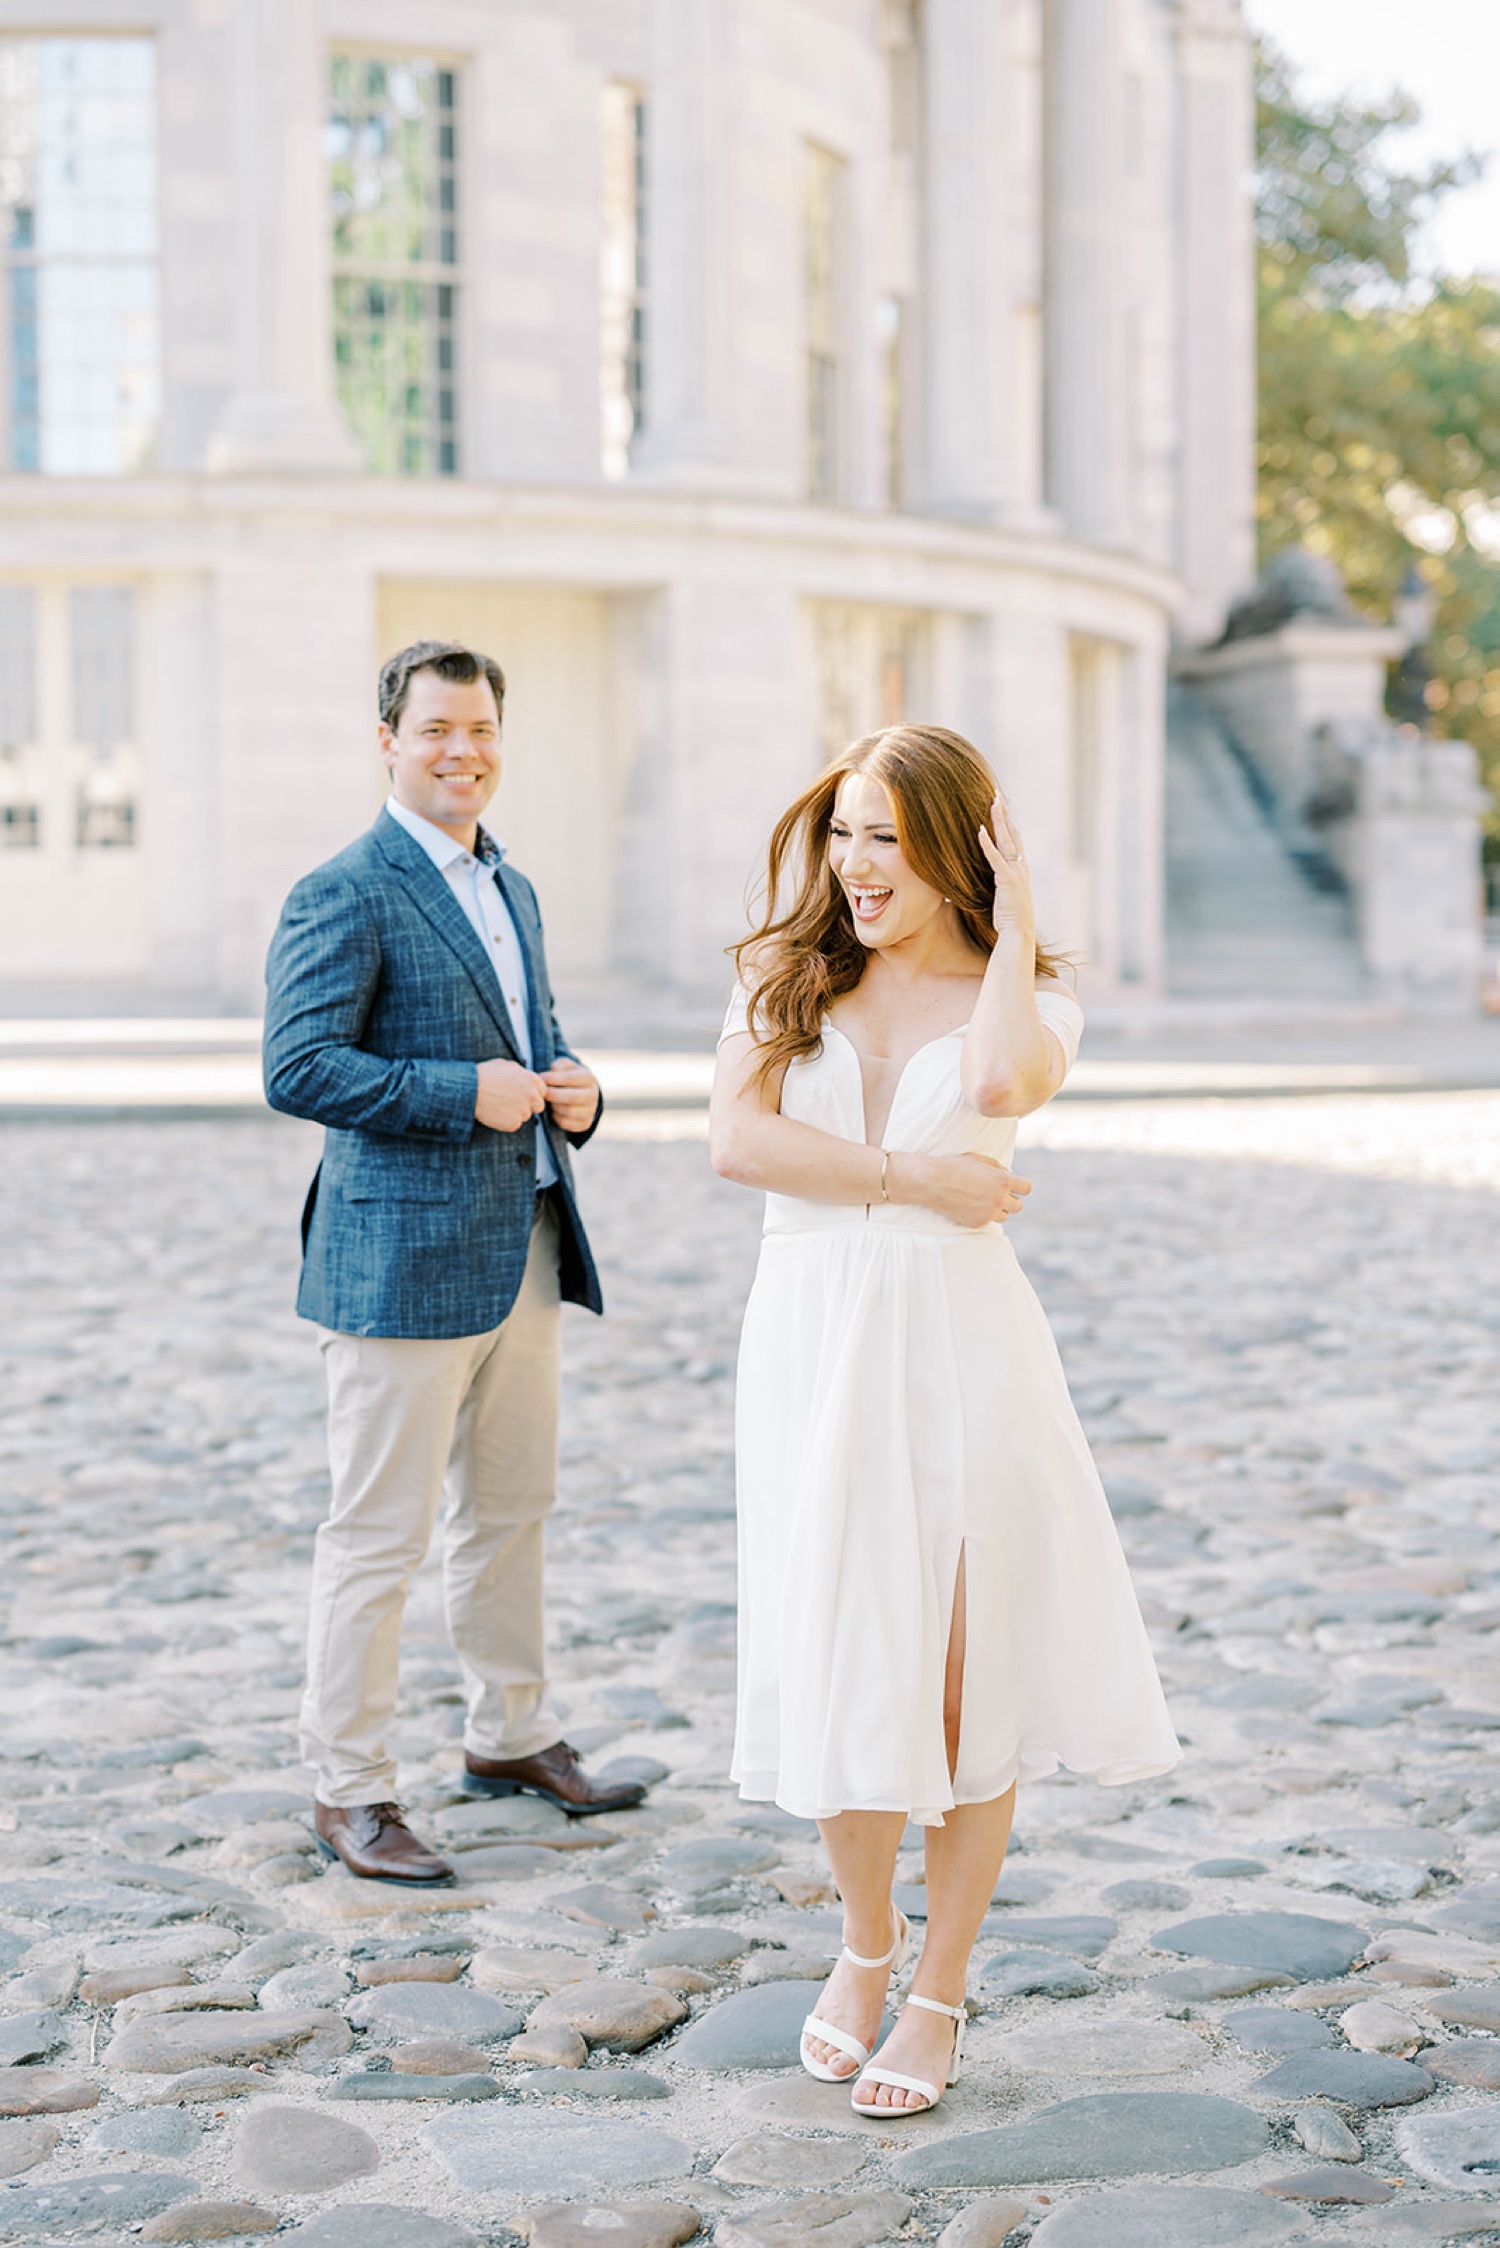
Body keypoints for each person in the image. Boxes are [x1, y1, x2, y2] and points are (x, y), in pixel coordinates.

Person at [710, 724, 1180, 2114]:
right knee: (843, 1647)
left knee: (967, 1675)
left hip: (963, 1354)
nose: (857, 866)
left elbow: (996, 1091)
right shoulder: (783, 976)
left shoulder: (1018, 1003)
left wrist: (1020, 918)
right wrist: (918, 1180)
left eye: (889, 841)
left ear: (954, 851)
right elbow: (739, 1144)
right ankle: (864, 1949)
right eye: (845, 833)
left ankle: (941, 1988)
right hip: (812, 1342)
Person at [263, 639, 647, 1887]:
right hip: (396, 1265)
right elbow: (297, 1067)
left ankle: (511, 1735)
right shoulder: (345, 888)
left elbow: (526, 1044)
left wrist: (574, 1089)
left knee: (513, 1511)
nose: (462, 751)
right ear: (388, 739)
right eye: (435, 730)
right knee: (376, 1535)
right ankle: (349, 1788)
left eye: (480, 729)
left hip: (523, 1248)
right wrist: (456, 1094)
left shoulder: (513, 886)